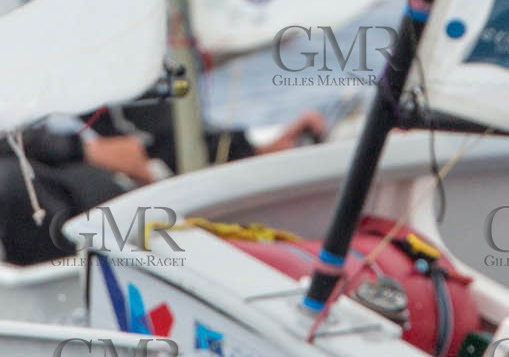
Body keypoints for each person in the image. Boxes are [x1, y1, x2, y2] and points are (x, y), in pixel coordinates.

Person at [0, 92, 325, 266]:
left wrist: (254, 152)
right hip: (49, 209)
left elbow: (168, 135)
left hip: (129, 218)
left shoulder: (93, 55)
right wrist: (81, 150)